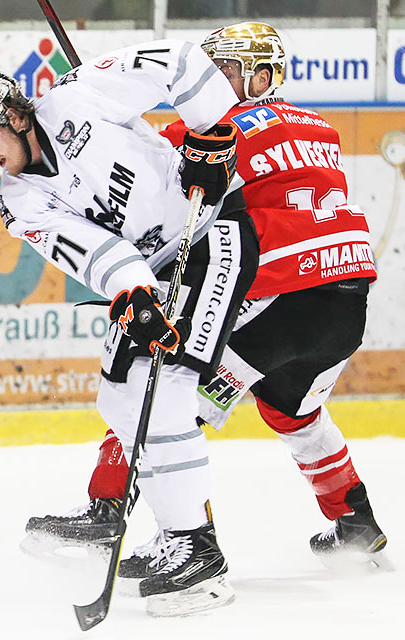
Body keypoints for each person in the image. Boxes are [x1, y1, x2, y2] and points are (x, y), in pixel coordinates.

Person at [25, 22, 387, 578]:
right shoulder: (320, 126)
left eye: (228, 71)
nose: (214, 82)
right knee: (294, 410)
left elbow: (148, 183)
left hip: (275, 295)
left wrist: (102, 132)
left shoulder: (215, 128)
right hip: (346, 301)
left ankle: (142, 523)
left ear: (262, 75)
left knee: (162, 394)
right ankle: (355, 522)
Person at [0, 39, 253, 615]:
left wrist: (213, 130)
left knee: (166, 393)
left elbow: (181, 63)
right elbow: (92, 251)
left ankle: (198, 552)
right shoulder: (19, 201)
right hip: (155, 271)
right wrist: (133, 293)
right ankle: (174, 534)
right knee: (120, 398)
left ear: (13, 116)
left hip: (211, 231)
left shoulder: (79, 95)